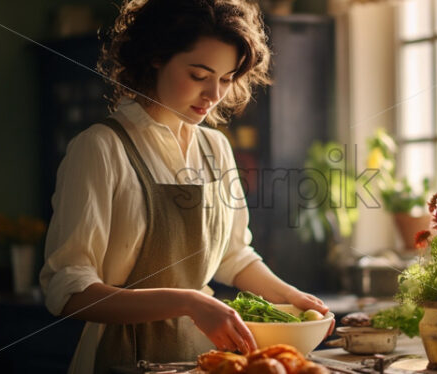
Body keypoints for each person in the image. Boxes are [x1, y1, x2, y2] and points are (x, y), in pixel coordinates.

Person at [38, 1, 333, 373]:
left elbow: (233, 257)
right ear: (156, 58)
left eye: (226, 79)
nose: (214, 94)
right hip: (119, 357)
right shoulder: (100, 148)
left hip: (201, 357)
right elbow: (68, 290)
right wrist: (189, 302)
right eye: (199, 75)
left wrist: (296, 300)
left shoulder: (216, 148)